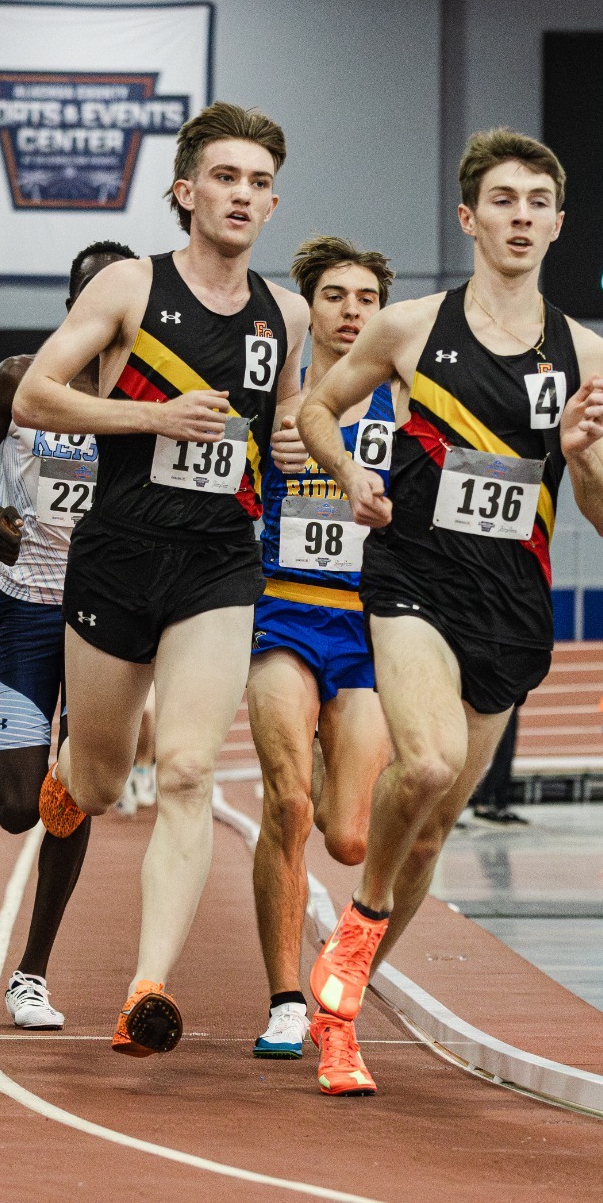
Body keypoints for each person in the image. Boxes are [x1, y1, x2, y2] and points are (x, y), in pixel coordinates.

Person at [297, 128, 603, 1096]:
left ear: (557, 224)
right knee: (428, 761)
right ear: (468, 217)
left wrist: (581, 452)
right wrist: (350, 469)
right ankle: (355, 936)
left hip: (509, 603)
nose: (518, 215)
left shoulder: (586, 351)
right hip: (410, 575)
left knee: (437, 825)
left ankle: (341, 1009)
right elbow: (319, 406)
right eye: (501, 199)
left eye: (535, 201)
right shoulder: (409, 327)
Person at [15, 102, 311, 1057]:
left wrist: (344, 468)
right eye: (227, 177)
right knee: (100, 780)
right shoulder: (129, 287)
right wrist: (151, 418)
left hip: (219, 563)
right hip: (118, 553)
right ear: (187, 192)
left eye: (261, 183)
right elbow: (33, 392)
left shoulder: (288, 313)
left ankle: (147, 988)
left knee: (185, 769)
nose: (245, 195)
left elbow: (292, 422)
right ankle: (73, 771)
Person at [0, 238, 136, 1030]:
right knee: (19, 806)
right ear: (73, 305)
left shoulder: (142, 398)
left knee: (73, 798)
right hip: (28, 607)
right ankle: (65, 759)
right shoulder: (22, 379)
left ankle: (31, 972)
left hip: (103, 613)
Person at [245, 236, 399, 1064]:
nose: (351, 310)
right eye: (334, 295)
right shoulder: (273, 403)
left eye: (365, 297)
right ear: (311, 309)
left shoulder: (406, 408)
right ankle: (284, 1000)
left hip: (366, 629)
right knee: (287, 805)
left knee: (348, 836)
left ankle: (346, 949)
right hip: (284, 619)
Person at [470, 709, 526, 824]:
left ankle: (500, 804)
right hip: (498, 698)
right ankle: (483, 803)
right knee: (503, 751)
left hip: (512, 697)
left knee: (508, 751)